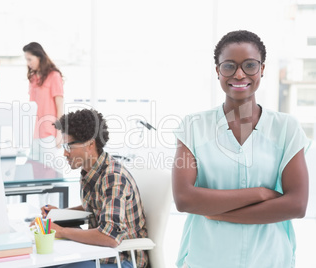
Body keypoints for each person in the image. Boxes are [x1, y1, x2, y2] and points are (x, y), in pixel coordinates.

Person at [172, 30, 311, 268]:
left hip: (269, 260)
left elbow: (296, 205)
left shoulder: (286, 128)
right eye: (229, 66)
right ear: (218, 71)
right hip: (206, 259)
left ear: (262, 69)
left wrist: (218, 213)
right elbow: (184, 199)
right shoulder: (194, 126)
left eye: (249, 65)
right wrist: (260, 193)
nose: (239, 74)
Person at [37, 109, 149, 268]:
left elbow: (110, 236)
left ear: (90, 145)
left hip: (122, 259)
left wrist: (60, 231)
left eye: (68, 146)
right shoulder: (89, 171)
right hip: (100, 253)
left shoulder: (113, 178)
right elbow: (96, 207)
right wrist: (60, 214)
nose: (64, 153)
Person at [23, 42, 64, 168]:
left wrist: (59, 133)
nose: (28, 63)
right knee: (34, 169)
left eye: (30, 59)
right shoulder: (33, 77)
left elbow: (60, 107)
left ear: (39, 57)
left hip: (49, 132)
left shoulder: (54, 76)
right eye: (26, 60)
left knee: (50, 170)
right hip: (34, 133)